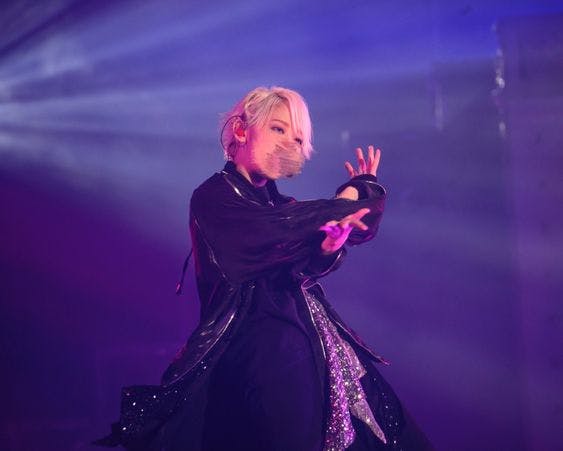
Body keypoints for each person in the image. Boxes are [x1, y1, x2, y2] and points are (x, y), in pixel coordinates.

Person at [96, 86, 433, 450]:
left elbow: (305, 254)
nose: (289, 142)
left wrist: (328, 246)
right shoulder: (215, 197)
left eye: (297, 138)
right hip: (259, 350)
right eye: (277, 128)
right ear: (241, 129)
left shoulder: (283, 207)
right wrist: (350, 197)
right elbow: (273, 233)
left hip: (308, 343)